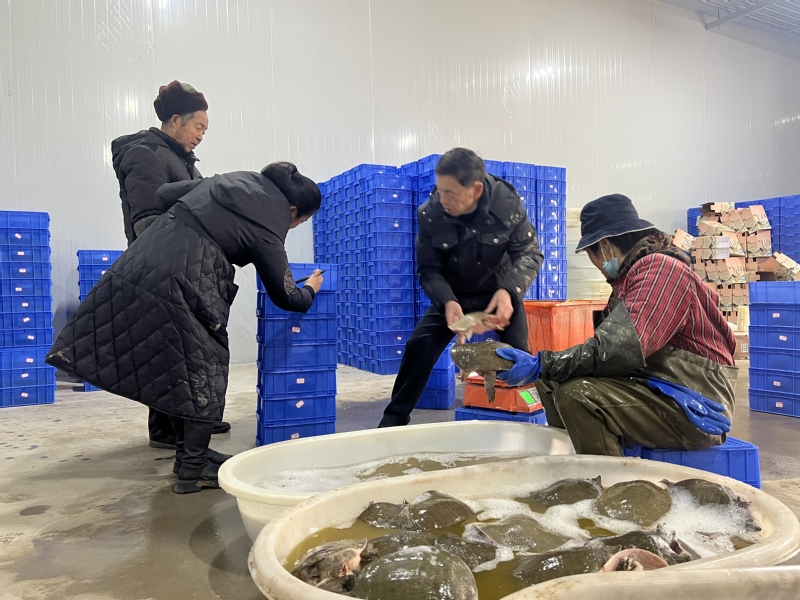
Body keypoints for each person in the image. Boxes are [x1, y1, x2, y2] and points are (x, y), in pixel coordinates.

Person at [46, 162, 324, 494]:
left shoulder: (231, 182)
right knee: (206, 366)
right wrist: (311, 290)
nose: (293, 226)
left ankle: (188, 455)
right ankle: (193, 468)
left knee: (178, 366)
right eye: (299, 221)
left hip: (145, 258)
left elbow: (164, 193)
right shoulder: (269, 219)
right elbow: (287, 296)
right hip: (188, 278)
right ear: (292, 209)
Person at [495, 194, 738, 456]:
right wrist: (546, 370)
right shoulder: (629, 280)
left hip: (695, 401)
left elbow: (616, 350)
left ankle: (607, 478)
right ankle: (575, 461)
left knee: (577, 395)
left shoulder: (661, 270)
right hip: (656, 386)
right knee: (550, 383)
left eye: (591, 253)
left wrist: (542, 363)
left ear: (605, 246)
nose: (595, 263)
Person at [378, 148, 543, 427]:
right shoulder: (431, 214)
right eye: (440, 190)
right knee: (418, 346)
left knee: (519, 359)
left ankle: (533, 420)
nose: (442, 199)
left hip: (499, 291)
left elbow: (529, 252)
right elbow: (428, 270)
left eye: (451, 193)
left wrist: (510, 291)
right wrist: (447, 301)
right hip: (454, 294)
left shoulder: (506, 204)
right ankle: (392, 422)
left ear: (476, 190)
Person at [110, 80, 230, 448]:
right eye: (198, 127)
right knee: (169, 350)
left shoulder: (182, 161)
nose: (201, 135)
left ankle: (188, 423)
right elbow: (147, 220)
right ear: (176, 120)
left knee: (180, 349)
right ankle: (168, 431)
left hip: (182, 262)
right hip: (160, 264)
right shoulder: (145, 154)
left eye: (205, 130)